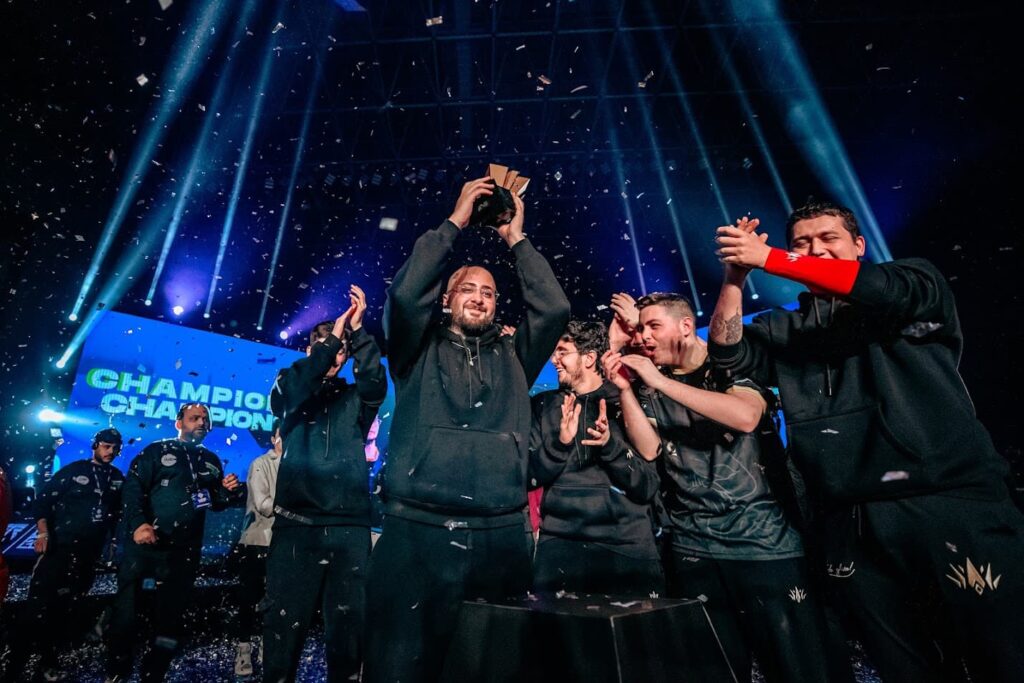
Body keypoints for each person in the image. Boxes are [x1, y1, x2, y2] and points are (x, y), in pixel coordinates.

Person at [710, 202, 1024, 681]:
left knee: (1002, 658)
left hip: (946, 502)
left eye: (829, 238)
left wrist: (773, 257)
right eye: (802, 243)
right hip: (847, 519)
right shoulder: (786, 327)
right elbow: (727, 351)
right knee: (902, 667)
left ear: (859, 245)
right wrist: (735, 276)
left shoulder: (912, 285)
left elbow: (878, 288)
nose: (815, 249)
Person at [365, 176, 570, 683]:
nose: (478, 299)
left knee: (491, 667)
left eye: (488, 293)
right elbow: (406, 293)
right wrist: (455, 221)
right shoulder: (414, 351)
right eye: (467, 290)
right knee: (399, 667)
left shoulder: (516, 356)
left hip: (500, 537)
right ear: (446, 299)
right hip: (416, 534)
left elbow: (554, 308)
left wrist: (514, 238)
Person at [603, 291, 841, 683]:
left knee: (800, 668)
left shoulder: (732, 364)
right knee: (714, 670)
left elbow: (745, 416)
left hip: (766, 546)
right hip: (693, 546)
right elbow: (648, 449)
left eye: (652, 327)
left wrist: (657, 381)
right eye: (640, 329)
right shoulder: (648, 382)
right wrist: (629, 390)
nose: (643, 337)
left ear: (684, 326)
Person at [262, 285, 387, 683]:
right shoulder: (289, 388)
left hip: (349, 528)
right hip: (297, 526)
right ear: (309, 350)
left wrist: (358, 332)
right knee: (283, 633)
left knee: (348, 638)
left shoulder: (356, 399)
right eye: (321, 345)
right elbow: (298, 383)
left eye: (338, 350)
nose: (331, 354)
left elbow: (374, 381)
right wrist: (332, 336)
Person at [105, 403, 244, 682]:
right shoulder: (155, 451)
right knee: (127, 614)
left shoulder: (211, 460)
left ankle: (154, 674)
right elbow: (133, 491)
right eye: (194, 418)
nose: (201, 422)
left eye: (205, 419)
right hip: (145, 548)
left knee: (170, 620)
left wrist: (228, 492)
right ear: (178, 423)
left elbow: (214, 502)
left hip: (183, 552)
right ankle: (117, 672)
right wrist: (139, 524)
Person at [529, 320, 662, 596]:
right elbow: (529, 476)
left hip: (625, 548)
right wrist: (559, 445)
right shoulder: (544, 405)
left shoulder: (624, 400)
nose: (554, 360)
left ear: (589, 358)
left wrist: (610, 445)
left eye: (562, 351)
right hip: (560, 546)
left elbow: (647, 485)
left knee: (633, 639)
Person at [6, 428, 125, 681]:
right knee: (35, 609)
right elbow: (43, 502)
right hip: (57, 551)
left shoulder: (117, 478)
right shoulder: (74, 470)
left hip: (87, 557)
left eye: (115, 448)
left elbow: (116, 514)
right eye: (106, 446)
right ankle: (13, 666)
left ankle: (48, 662)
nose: (110, 452)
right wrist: (43, 533)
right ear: (95, 445)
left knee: (65, 610)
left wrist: (113, 541)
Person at [231, 420, 283, 679]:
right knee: (249, 600)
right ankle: (243, 648)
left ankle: (266, 643)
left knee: (275, 599)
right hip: (257, 541)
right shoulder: (260, 464)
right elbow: (263, 504)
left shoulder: (295, 467)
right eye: (282, 434)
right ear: (274, 437)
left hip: (284, 544)